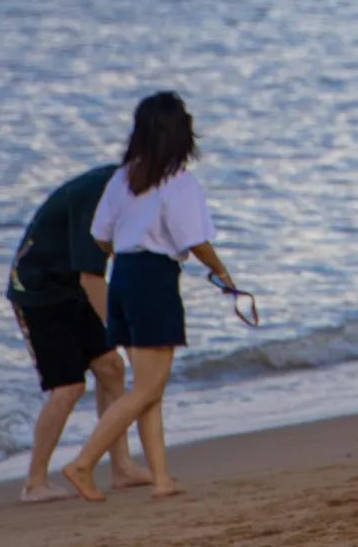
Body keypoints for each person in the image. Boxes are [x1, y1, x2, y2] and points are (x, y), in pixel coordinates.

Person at [62, 92, 236, 502]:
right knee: (147, 388)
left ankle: (161, 478)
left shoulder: (123, 178)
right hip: (154, 278)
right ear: (181, 133)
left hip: (122, 274)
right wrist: (222, 271)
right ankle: (83, 462)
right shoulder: (180, 182)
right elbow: (195, 240)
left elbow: (100, 236)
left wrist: (130, 256)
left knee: (148, 386)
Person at [7, 166, 151, 502]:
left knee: (110, 368)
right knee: (68, 387)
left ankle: (122, 468)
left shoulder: (130, 187)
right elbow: (92, 275)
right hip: (37, 289)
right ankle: (34, 482)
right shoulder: (100, 192)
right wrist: (123, 332)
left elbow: (111, 250)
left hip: (71, 285)